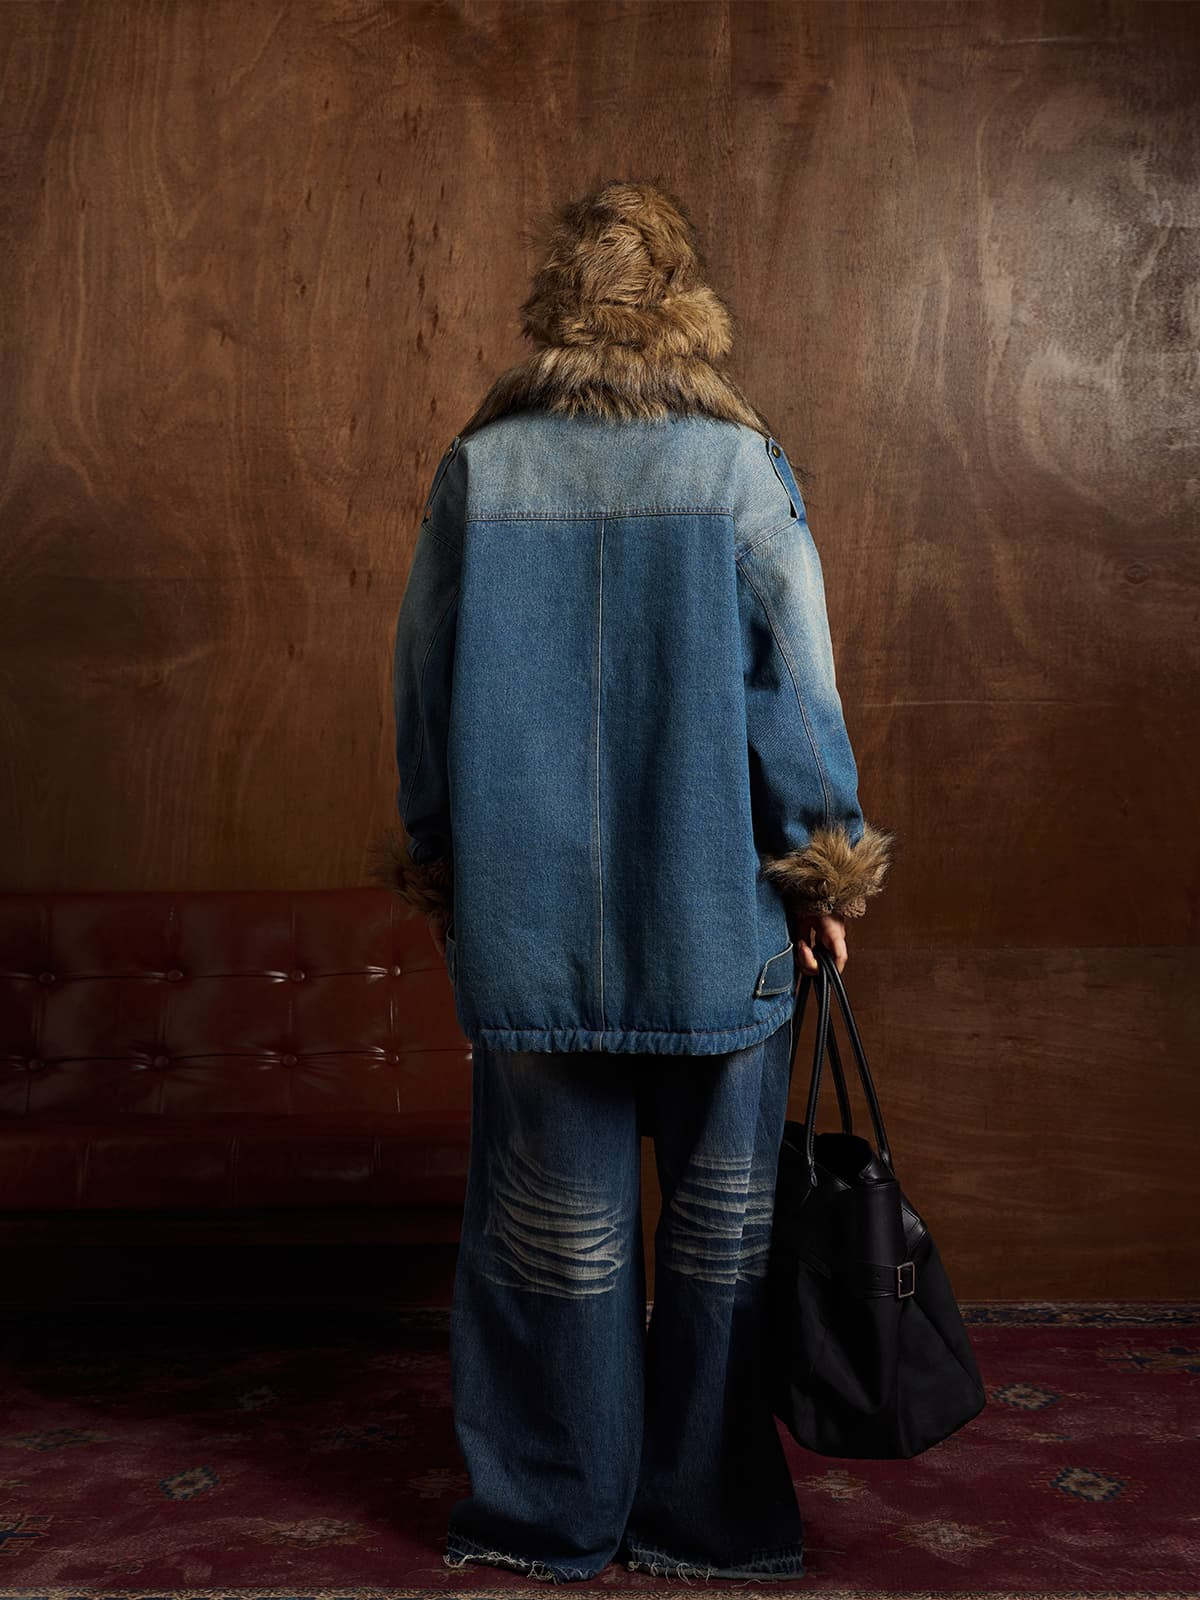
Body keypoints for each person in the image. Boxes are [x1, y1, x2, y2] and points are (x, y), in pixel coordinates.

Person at [371, 178, 894, 1584]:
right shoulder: (738, 470)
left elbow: (421, 690)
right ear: (684, 312)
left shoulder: (484, 469)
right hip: (716, 920)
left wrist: (444, 859)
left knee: (556, 1245)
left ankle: (553, 1513)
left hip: (528, 924)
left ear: (556, 309)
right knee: (722, 1245)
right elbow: (797, 692)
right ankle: (703, 1518)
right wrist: (823, 866)